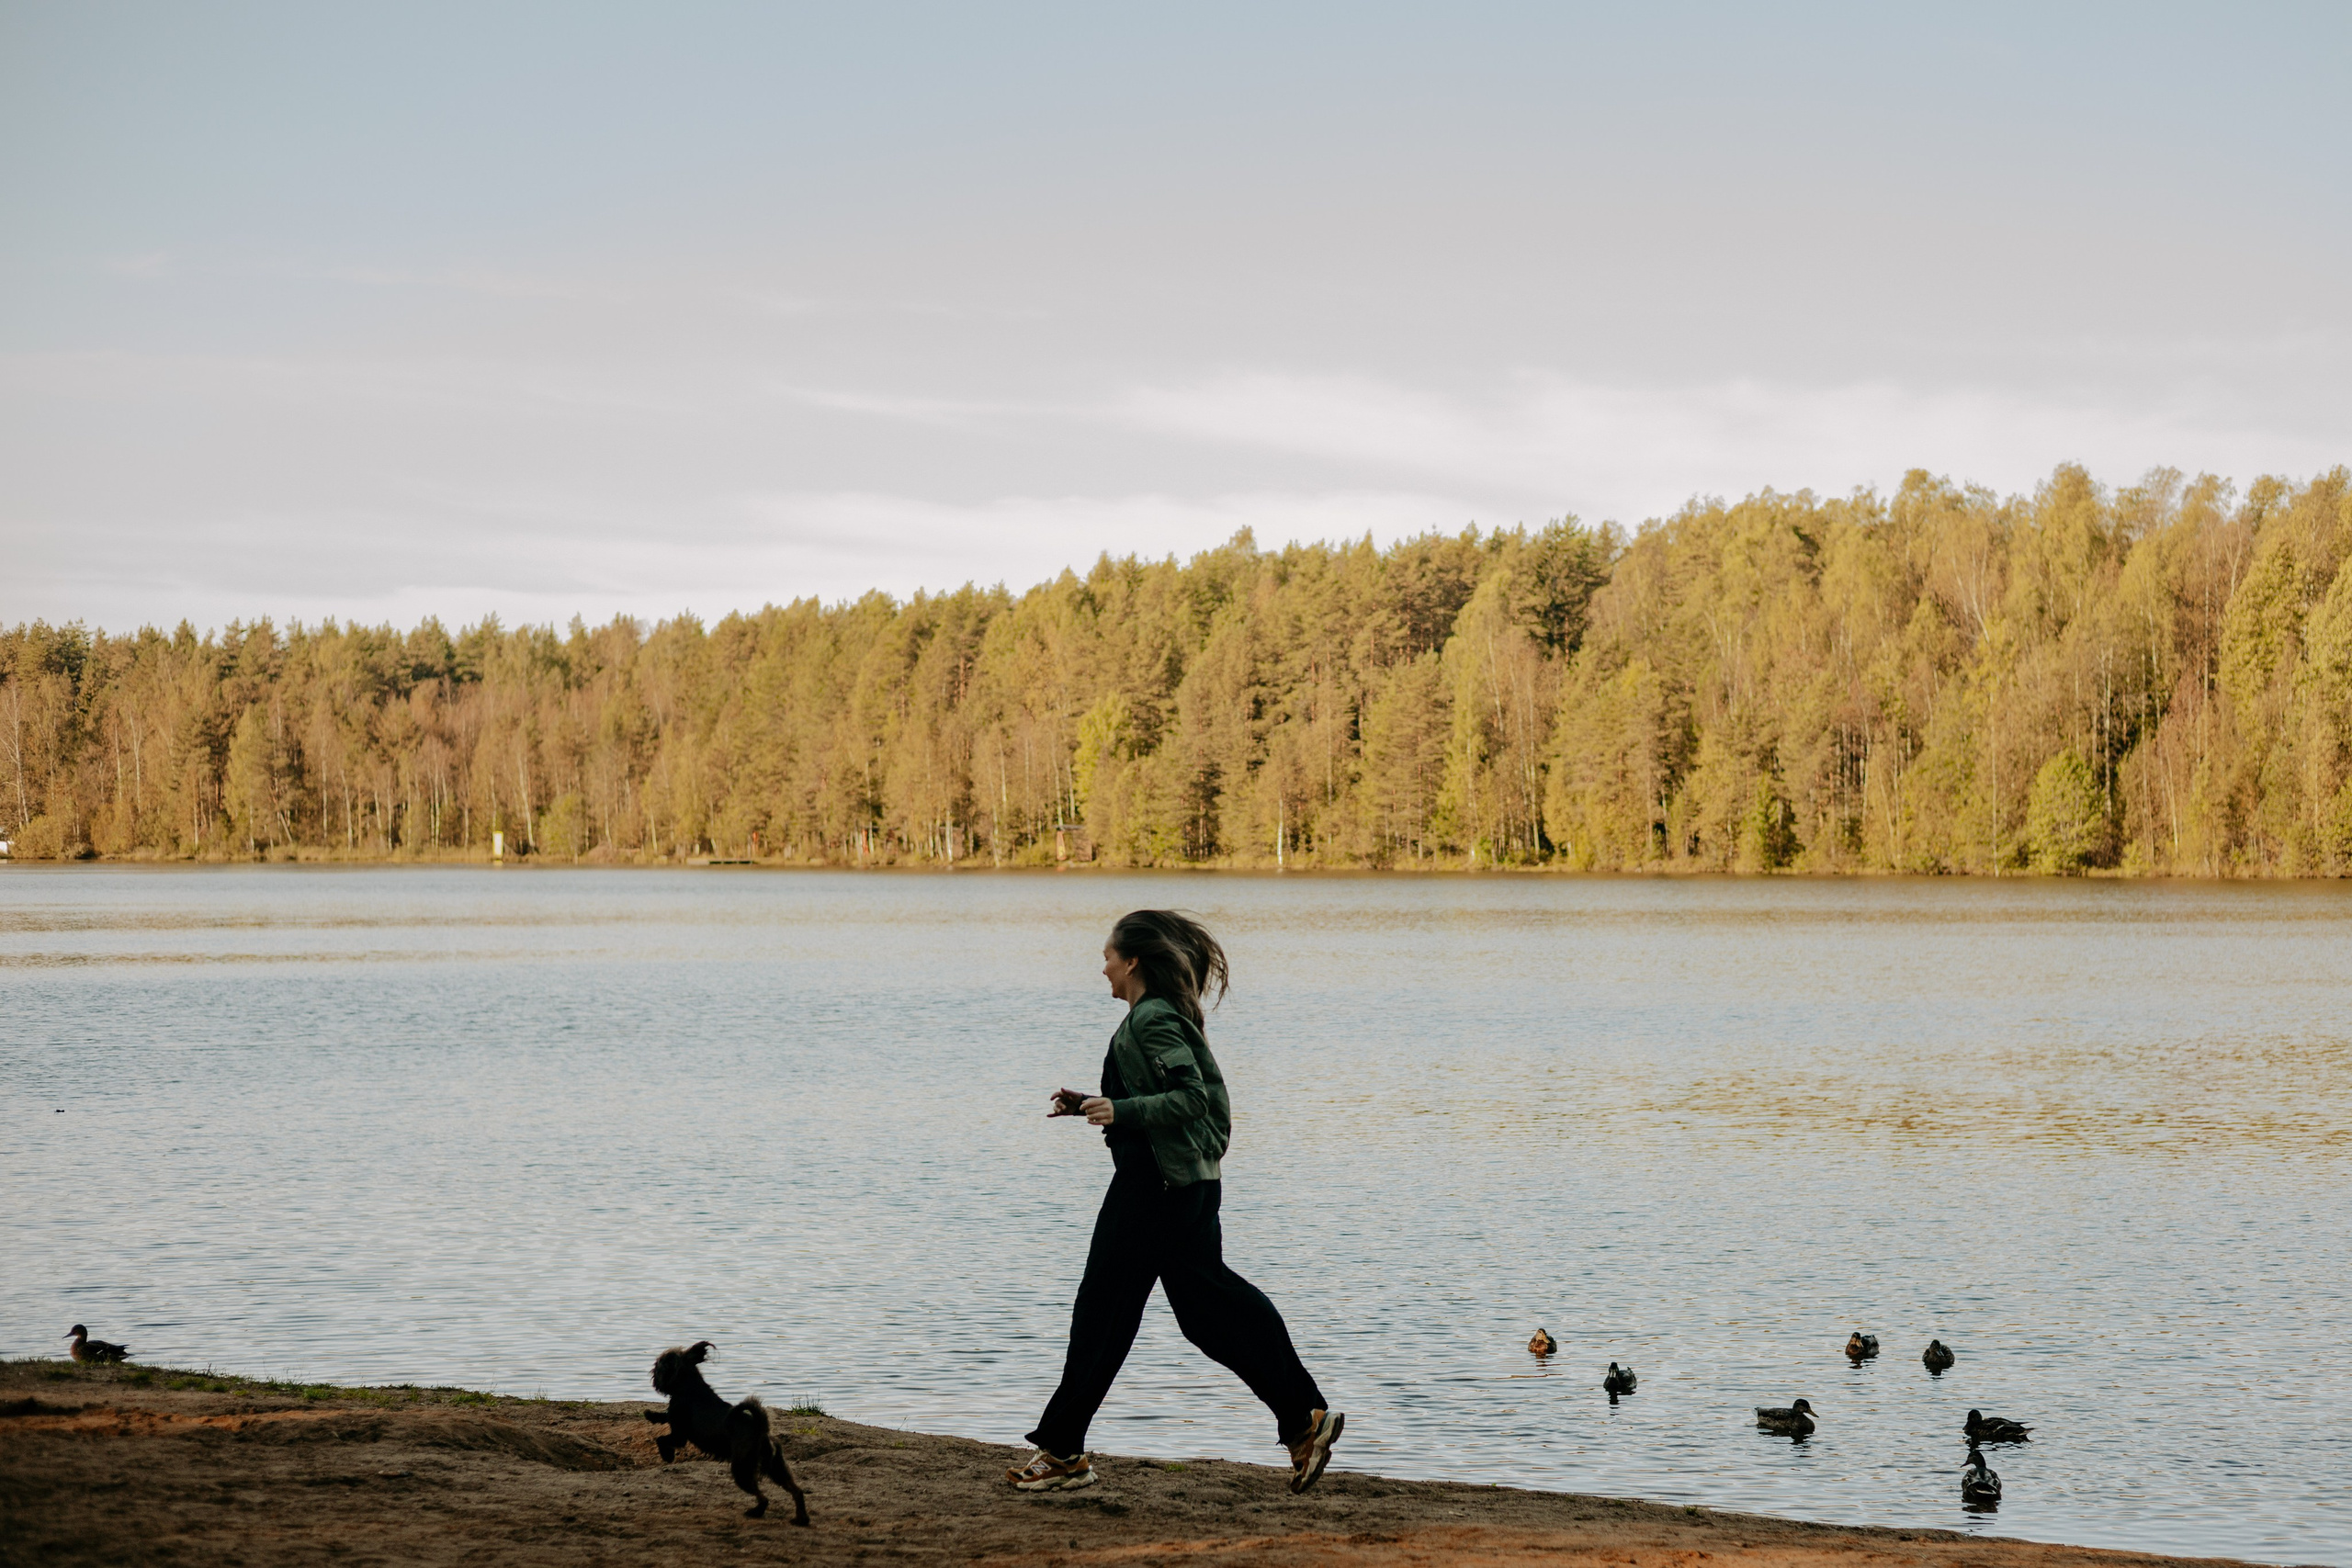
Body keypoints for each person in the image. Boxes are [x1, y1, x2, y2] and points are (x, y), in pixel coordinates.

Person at [1006, 909, 1343, 1495]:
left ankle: (1062, 1451)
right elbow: (1165, 1096)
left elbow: (1190, 1097)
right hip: (1179, 1184)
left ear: (1133, 961)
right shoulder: (1151, 1018)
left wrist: (1123, 1110)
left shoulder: (1153, 1019)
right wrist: (1092, 1101)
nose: (1103, 967)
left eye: (1109, 957)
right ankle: (1303, 1420)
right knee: (1206, 1309)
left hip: (1155, 1190)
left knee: (1103, 1314)